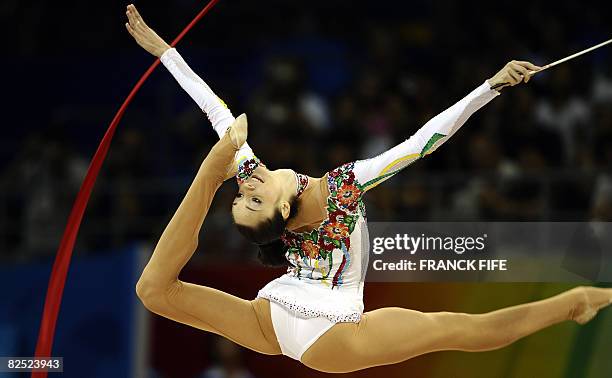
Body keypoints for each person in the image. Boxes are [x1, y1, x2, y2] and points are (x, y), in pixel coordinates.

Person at [126, 4, 612, 373]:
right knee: (459, 328)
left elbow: (215, 111)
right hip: (326, 332)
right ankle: (572, 304)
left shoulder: (262, 178)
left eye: (241, 195)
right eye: (251, 200)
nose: (246, 184)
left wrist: (167, 53)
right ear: (280, 208)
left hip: (272, 320)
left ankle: (577, 302)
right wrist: (489, 87)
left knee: (459, 328)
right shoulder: (343, 188)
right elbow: (423, 143)